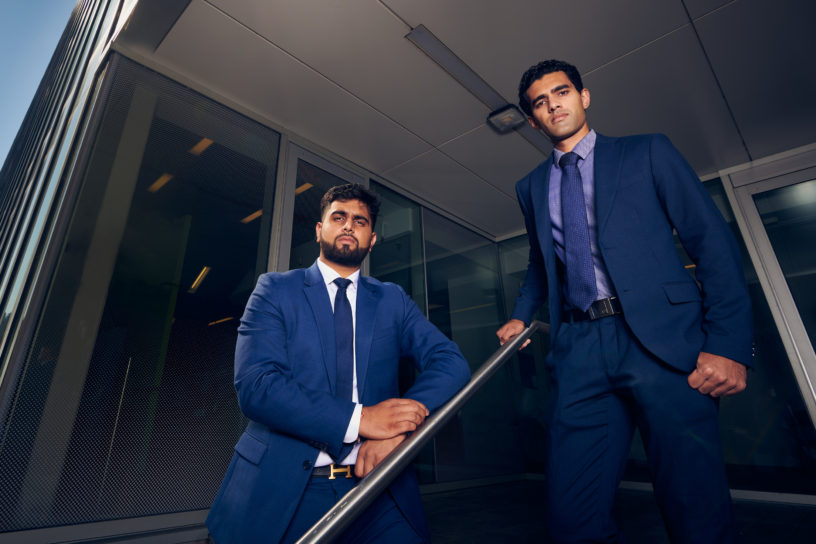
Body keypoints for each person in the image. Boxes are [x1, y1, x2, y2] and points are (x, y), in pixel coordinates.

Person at [496, 60, 753, 543]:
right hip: (579, 349)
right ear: (532, 120)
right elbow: (540, 262)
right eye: (540, 102)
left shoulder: (647, 151)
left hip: (663, 342)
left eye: (562, 92)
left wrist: (728, 344)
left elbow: (711, 242)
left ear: (584, 97)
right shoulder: (530, 186)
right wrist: (520, 314)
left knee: (694, 504)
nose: (554, 105)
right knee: (571, 513)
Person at [207, 183, 470, 544]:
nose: (348, 225)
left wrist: (398, 428)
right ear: (319, 231)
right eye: (338, 217)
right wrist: (363, 419)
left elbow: (450, 361)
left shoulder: (392, 299)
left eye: (360, 221)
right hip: (286, 489)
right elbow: (257, 386)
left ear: (372, 240)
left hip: (376, 489)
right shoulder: (275, 290)